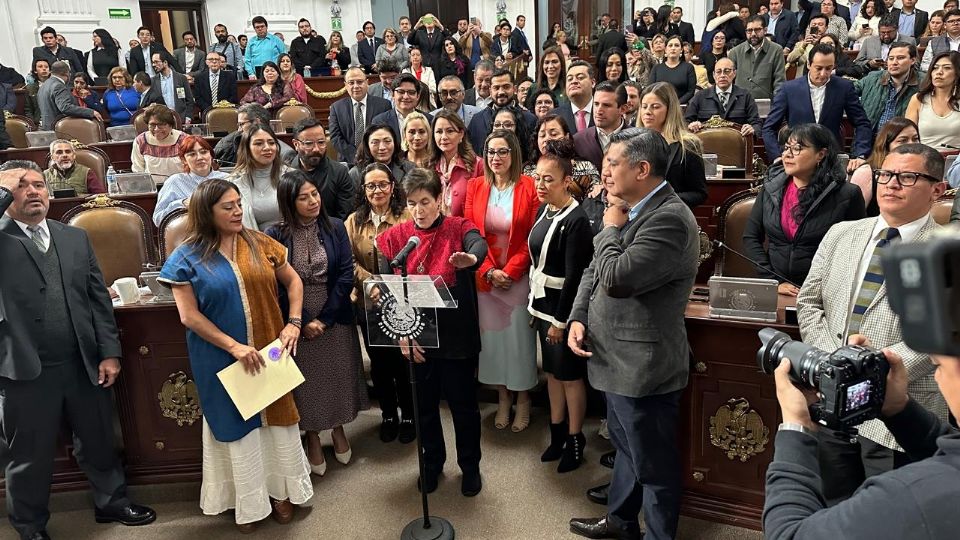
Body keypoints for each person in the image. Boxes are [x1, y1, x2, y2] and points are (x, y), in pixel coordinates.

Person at [0, 162, 157, 540]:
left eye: (39, 184)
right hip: (25, 369)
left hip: (83, 361)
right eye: (21, 186)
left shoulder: (72, 237)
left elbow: (96, 298)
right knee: (30, 456)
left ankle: (112, 503)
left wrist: (109, 351)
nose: (33, 191)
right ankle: (30, 525)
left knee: (99, 439)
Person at [796, 143, 948, 506]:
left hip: (901, 416)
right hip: (832, 406)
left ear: (938, 189)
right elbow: (808, 302)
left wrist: (871, 375)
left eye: (907, 176)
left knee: (895, 519)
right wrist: (836, 364)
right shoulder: (841, 234)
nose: (891, 184)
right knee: (835, 510)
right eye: (885, 174)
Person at [566, 128, 700, 540]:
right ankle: (621, 521)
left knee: (654, 466)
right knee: (627, 449)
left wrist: (608, 227)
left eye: (613, 163)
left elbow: (617, 278)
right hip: (613, 356)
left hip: (643, 367)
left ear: (642, 169)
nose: (604, 172)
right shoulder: (630, 207)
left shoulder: (670, 219)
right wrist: (578, 316)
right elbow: (594, 270)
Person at [158, 178, 310, 532]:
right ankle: (248, 500)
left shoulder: (260, 244)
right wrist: (234, 347)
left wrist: (294, 323)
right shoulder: (186, 256)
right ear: (206, 212)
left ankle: (281, 494)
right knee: (237, 429)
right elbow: (188, 315)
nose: (238, 211)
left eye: (239, 203)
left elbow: (294, 282)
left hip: (269, 354)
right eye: (228, 207)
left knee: (277, 424)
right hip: (220, 358)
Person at [376, 167, 489, 496]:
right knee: (424, 409)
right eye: (412, 203)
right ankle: (431, 464)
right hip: (417, 338)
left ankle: (470, 466)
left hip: (456, 339)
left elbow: (477, 244)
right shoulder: (397, 238)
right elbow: (390, 289)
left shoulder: (457, 227)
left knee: (463, 409)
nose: (419, 210)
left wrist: (471, 258)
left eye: (425, 202)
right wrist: (402, 334)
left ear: (440, 200)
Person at [265, 169, 367, 476]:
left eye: (315, 194)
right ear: (288, 201)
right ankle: (311, 434)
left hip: (333, 312)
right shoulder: (275, 234)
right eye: (303, 197)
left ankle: (337, 428)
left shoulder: (335, 226)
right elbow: (278, 286)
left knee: (337, 374)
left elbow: (346, 274)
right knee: (306, 380)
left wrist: (324, 318)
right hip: (295, 317)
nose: (312, 201)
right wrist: (303, 320)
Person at [464, 130, 539, 433]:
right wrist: (488, 271)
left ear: (514, 153)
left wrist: (512, 271)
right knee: (493, 344)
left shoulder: (529, 187)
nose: (497, 158)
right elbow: (471, 233)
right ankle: (503, 398)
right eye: (491, 152)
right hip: (487, 280)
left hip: (517, 279)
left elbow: (532, 234)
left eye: (503, 151)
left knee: (519, 343)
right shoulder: (475, 187)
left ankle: (523, 399)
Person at [527, 138, 594, 472]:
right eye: (538, 178)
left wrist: (559, 321)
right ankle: (556, 434)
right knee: (552, 374)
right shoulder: (545, 209)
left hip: (561, 313)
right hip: (542, 308)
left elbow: (574, 278)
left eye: (548, 179)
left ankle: (575, 437)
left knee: (569, 377)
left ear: (566, 181)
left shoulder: (577, 220)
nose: (540, 184)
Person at [744, 124, 866, 296]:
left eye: (797, 149)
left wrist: (819, 288)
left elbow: (855, 250)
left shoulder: (847, 194)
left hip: (824, 292)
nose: (787, 154)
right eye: (786, 148)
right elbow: (751, 237)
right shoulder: (771, 187)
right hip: (775, 288)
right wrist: (773, 281)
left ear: (821, 155)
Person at [344, 164, 414, 443]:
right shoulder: (353, 221)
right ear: (363, 190)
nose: (377, 191)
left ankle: (408, 413)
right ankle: (387, 414)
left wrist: (390, 286)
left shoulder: (406, 216)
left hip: (401, 304)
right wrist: (370, 282)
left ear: (393, 186)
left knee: (402, 361)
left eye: (382, 184)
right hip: (367, 303)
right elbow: (346, 261)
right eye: (371, 186)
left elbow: (415, 254)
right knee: (380, 364)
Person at [763, 44, 873, 167]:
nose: (823, 74)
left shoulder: (844, 88)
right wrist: (777, 156)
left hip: (830, 160)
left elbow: (862, 123)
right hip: (798, 158)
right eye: (818, 68)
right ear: (809, 65)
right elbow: (769, 128)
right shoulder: (789, 89)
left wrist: (860, 155)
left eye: (828, 68)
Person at [638, 82, 708, 209]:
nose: (647, 112)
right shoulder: (632, 143)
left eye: (655, 107)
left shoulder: (687, 145)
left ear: (670, 109)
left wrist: (663, 200)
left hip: (672, 215)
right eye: (644, 107)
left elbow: (699, 193)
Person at [849, 117, 921, 215]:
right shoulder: (866, 172)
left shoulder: (921, 171)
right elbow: (853, 217)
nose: (911, 144)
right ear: (887, 144)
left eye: (915, 139)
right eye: (903, 140)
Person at [228, 124, 293, 231]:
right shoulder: (233, 182)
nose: (267, 148)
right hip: (249, 242)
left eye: (271, 143)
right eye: (259, 143)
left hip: (288, 242)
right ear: (247, 148)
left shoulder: (291, 176)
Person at [153, 135, 230, 226]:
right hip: (189, 236)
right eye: (192, 154)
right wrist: (181, 204)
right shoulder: (174, 182)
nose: (200, 157)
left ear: (211, 156)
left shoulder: (227, 180)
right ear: (184, 160)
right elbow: (158, 219)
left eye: (204, 152)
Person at [288, 118, 354, 221]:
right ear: (296, 144)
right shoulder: (285, 172)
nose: (316, 149)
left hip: (331, 232)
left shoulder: (339, 172)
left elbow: (344, 214)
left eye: (321, 142)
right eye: (309, 144)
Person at [525, 113, 602, 200]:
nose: (547, 139)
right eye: (542, 135)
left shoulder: (586, 168)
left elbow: (595, 200)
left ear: (567, 137)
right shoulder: (528, 171)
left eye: (554, 134)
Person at [328, 67, 392, 166]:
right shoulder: (336, 108)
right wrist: (356, 155)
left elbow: (388, 134)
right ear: (345, 85)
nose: (356, 86)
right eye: (351, 83)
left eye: (359, 82)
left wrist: (370, 154)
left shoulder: (383, 105)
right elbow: (335, 137)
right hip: (348, 160)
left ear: (367, 82)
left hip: (377, 159)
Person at [685, 57, 763, 136]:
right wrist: (691, 125)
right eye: (718, 72)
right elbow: (685, 122)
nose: (722, 75)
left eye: (727, 71)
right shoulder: (700, 96)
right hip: (707, 145)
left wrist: (752, 128)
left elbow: (756, 123)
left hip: (736, 145)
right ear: (713, 75)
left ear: (734, 73)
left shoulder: (745, 96)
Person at [855, 42, 922, 133]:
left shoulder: (924, 82)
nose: (894, 62)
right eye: (891, 58)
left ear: (913, 60)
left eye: (900, 58)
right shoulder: (872, 78)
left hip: (903, 141)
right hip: (870, 140)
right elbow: (848, 91)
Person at [431, 109, 483, 217]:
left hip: (466, 230)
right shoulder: (429, 166)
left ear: (461, 134)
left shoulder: (477, 165)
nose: (444, 137)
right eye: (439, 132)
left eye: (450, 131)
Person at [213, 103, 298, 167]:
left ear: (257, 122)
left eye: (242, 124)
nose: (239, 129)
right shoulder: (228, 143)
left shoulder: (284, 153)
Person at [906, 50, 960, 151]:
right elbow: (908, 136)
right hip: (925, 159)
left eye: (947, 68)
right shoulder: (918, 99)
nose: (939, 72)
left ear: (957, 73)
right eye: (935, 68)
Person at [728, 15, 786, 100]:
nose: (753, 34)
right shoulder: (735, 52)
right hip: (740, 104)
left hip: (766, 104)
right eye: (749, 31)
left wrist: (777, 104)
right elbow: (729, 81)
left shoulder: (776, 50)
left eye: (757, 30)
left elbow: (779, 81)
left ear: (765, 30)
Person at [572, 81, 626, 173]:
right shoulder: (578, 140)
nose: (599, 110)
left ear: (623, 109)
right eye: (596, 104)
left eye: (606, 105)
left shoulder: (637, 140)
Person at [37, 61, 100, 130]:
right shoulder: (59, 86)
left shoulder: (44, 85)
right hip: (59, 130)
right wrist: (91, 112)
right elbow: (65, 107)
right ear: (67, 73)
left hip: (46, 128)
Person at [131, 104, 188, 178]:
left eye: (161, 125)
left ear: (171, 125)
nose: (156, 129)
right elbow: (138, 170)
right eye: (152, 125)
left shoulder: (184, 140)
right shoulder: (140, 141)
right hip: (153, 187)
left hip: (180, 186)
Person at [372, 73, 433, 139]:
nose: (406, 96)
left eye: (411, 92)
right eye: (401, 92)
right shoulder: (380, 121)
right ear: (392, 94)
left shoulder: (429, 120)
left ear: (418, 96)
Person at [550, 61, 597, 136]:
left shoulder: (605, 111)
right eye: (570, 79)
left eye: (580, 77)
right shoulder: (554, 116)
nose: (574, 81)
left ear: (593, 82)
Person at [649, 35, 698, 104]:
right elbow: (651, 89)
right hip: (659, 105)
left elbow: (690, 91)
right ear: (665, 49)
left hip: (680, 107)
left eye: (676, 45)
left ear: (681, 50)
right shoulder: (657, 68)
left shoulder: (688, 67)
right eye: (670, 45)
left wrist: (675, 105)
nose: (673, 48)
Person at [151, 52, 195, 124]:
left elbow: (189, 100)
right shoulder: (153, 81)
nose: (154, 65)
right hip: (162, 120)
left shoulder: (181, 78)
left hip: (181, 118)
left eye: (156, 62)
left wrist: (188, 117)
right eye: (153, 62)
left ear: (165, 62)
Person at [23, 59, 50, 125]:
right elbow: (28, 109)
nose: (44, 69)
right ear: (35, 71)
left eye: (46, 67)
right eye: (40, 67)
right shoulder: (30, 88)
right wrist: (32, 123)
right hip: (39, 122)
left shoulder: (57, 85)